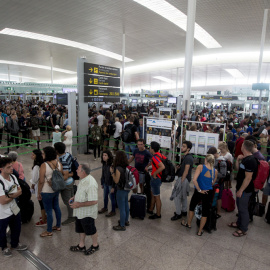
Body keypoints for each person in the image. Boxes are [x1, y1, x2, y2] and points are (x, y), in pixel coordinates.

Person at [181, 154, 217, 236]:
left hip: (199, 191)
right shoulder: (215, 171)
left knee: (192, 207)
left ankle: (189, 224)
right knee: (205, 212)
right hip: (208, 192)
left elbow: (194, 180)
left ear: (205, 160)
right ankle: (200, 231)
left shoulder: (200, 167)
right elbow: (212, 183)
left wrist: (200, 190)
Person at [228, 140, 258, 237]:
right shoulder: (245, 159)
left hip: (245, 190)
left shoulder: (251, 161)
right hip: (240, 187)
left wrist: (241, 190)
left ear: (243, 147)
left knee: (243, 209)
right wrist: (237, 160)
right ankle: (239, 223)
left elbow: (248, 178)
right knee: (240, 208)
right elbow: (238, 170)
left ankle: (243, 229)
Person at [0, 157, 28, 257]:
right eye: (8, 167)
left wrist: (9, 196)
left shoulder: (13, 177)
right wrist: (14, 195)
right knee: (2, 232)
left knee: (17, 227)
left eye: (11, 166)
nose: (12, 168)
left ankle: (15, 244)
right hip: (2, 213)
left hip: (14, 209)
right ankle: (4, 247)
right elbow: (3, 201)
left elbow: (20, 191)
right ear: (1, 169)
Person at [69, 164, 99, 255]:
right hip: (80, 212)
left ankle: (95, 245)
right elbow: (81, 192)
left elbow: (94, 201)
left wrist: (78, 204)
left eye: (78, 169)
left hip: (87, 213)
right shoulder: (82, 179)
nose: (76, 170)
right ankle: (81, 245)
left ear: (83, 172)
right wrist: (74, 197)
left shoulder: (91, 183)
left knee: (91, 230)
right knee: (80, 229)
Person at [38, 147, 63, 237]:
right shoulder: (58, 163)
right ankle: (58, 226)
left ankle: (49, 231)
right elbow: (60, 175)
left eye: (43, 153)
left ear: (47, 154)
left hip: (46, 191)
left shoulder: (44, 165)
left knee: (48, 211)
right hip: (56, 189)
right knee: (56, 207)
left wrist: (38, 192)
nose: (42, 155)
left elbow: (41, 181)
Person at [171, 141, 194, 221]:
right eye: (182, 146)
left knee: (177, 197)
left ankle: (178, 213)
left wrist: (181, 181)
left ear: (188, 149)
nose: (182, 148)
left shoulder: (188, 158)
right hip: (184, 179)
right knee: (183, 196)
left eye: (184, 146)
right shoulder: (187, 157)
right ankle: (184, 211)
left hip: (183, 179)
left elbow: (186, 170)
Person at [54, 142, 75, 226]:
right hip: (71, 181)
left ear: (57, 150)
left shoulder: (63, 160)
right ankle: (74, 213)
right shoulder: (68, 155)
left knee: (68, 201)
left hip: (66, 183)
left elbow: (65, 176)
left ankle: (71, 217)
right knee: (72, 198)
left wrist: (56, 181)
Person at [110, 151, 130, 231]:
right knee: (126, 205)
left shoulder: (118, 169)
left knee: (121, 208)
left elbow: (116, 181)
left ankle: (122, 225)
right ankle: (126, 220)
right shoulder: (126, 167)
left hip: (121, 190)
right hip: (126, 189)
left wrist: (112, 173)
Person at [147, 141, 165, 220]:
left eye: (150, 147)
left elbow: (162, 166)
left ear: (152, 149)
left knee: (157, 196)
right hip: (159, 178)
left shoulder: (155, 157)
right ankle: (151, 209)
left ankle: (158, 214)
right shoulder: (159, 155)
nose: (149, 149)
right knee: (154, 194)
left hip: (156, 179)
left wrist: (155, 174)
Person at [207, 147, 227, 219]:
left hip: (219, 183)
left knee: (218, 197)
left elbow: (223, 174)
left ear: (215, 154)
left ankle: (218, 212)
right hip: (212, 182)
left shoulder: (222, 162)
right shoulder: (214, 160)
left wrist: (213, 173)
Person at [29, 149, 46, 226]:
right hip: (44, 186)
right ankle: (44, 216)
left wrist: (32, 184)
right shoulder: (43, 163)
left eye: (33, 155)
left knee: (41, 203)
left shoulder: (36, 167)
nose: (31, 156)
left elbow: (35, 179)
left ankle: (44, 220)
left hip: (39, 186)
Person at [98, 150, 116, 217]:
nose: (104, 157)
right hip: (105, 183)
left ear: (109, 156)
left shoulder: (112, 165)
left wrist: (113, 187)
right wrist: (102, 182)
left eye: (105, 155)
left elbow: (114, 176)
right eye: (103, 155)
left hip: (111, 184)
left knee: (112, 198)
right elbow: (103, 174)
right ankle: (105, 207)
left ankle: (113, 211)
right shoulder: (104, 164)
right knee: (105, 196)